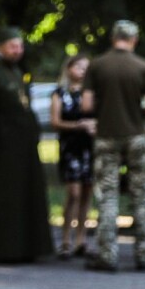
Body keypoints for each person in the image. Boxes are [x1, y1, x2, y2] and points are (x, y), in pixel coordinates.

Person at [0, 28, 53, 263]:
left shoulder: (17, 71)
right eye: (13, 46)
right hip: (2, 146)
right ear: (0, 47)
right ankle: (3, 250)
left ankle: (27, 248)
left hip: (24, 144)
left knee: (27, 194)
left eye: (20, 46)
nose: (18, 51)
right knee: (4, 198)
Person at [82, 20, 145, 272]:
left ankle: (107, 255)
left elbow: (87, 105)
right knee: (141, 195)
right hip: (137, 136)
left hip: (106, 136)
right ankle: (144, 254)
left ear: (113, 38)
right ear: (134, 39)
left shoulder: (97, 65)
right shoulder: (143, 66)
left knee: (108, 196)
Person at [50, 54, 95, 259]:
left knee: (87, 193)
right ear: (69, 68)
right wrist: (78, 125)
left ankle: (81, 239)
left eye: (86, 67)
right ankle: (65, 238)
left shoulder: (91, 94)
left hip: (89, 148)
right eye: (78, 66)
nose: (82, 71)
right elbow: (55, 121)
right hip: (71, 148)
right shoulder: (60, 94)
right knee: (73, 193)